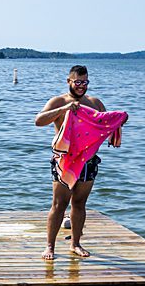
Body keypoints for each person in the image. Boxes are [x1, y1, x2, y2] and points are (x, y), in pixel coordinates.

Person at [35, 65, 107, 261]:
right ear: (69, 81)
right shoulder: (59, 101)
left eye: (85, 82)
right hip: (65, 161)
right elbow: (38, 121)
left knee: (79, 203)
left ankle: (75, 243)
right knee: (59, 204)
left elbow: (105, 124)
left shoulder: (94, 103)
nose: (81, 86)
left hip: (88, 161)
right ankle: (50, 246)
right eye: (78, 82)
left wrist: (118, 126)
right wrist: (64, 109)